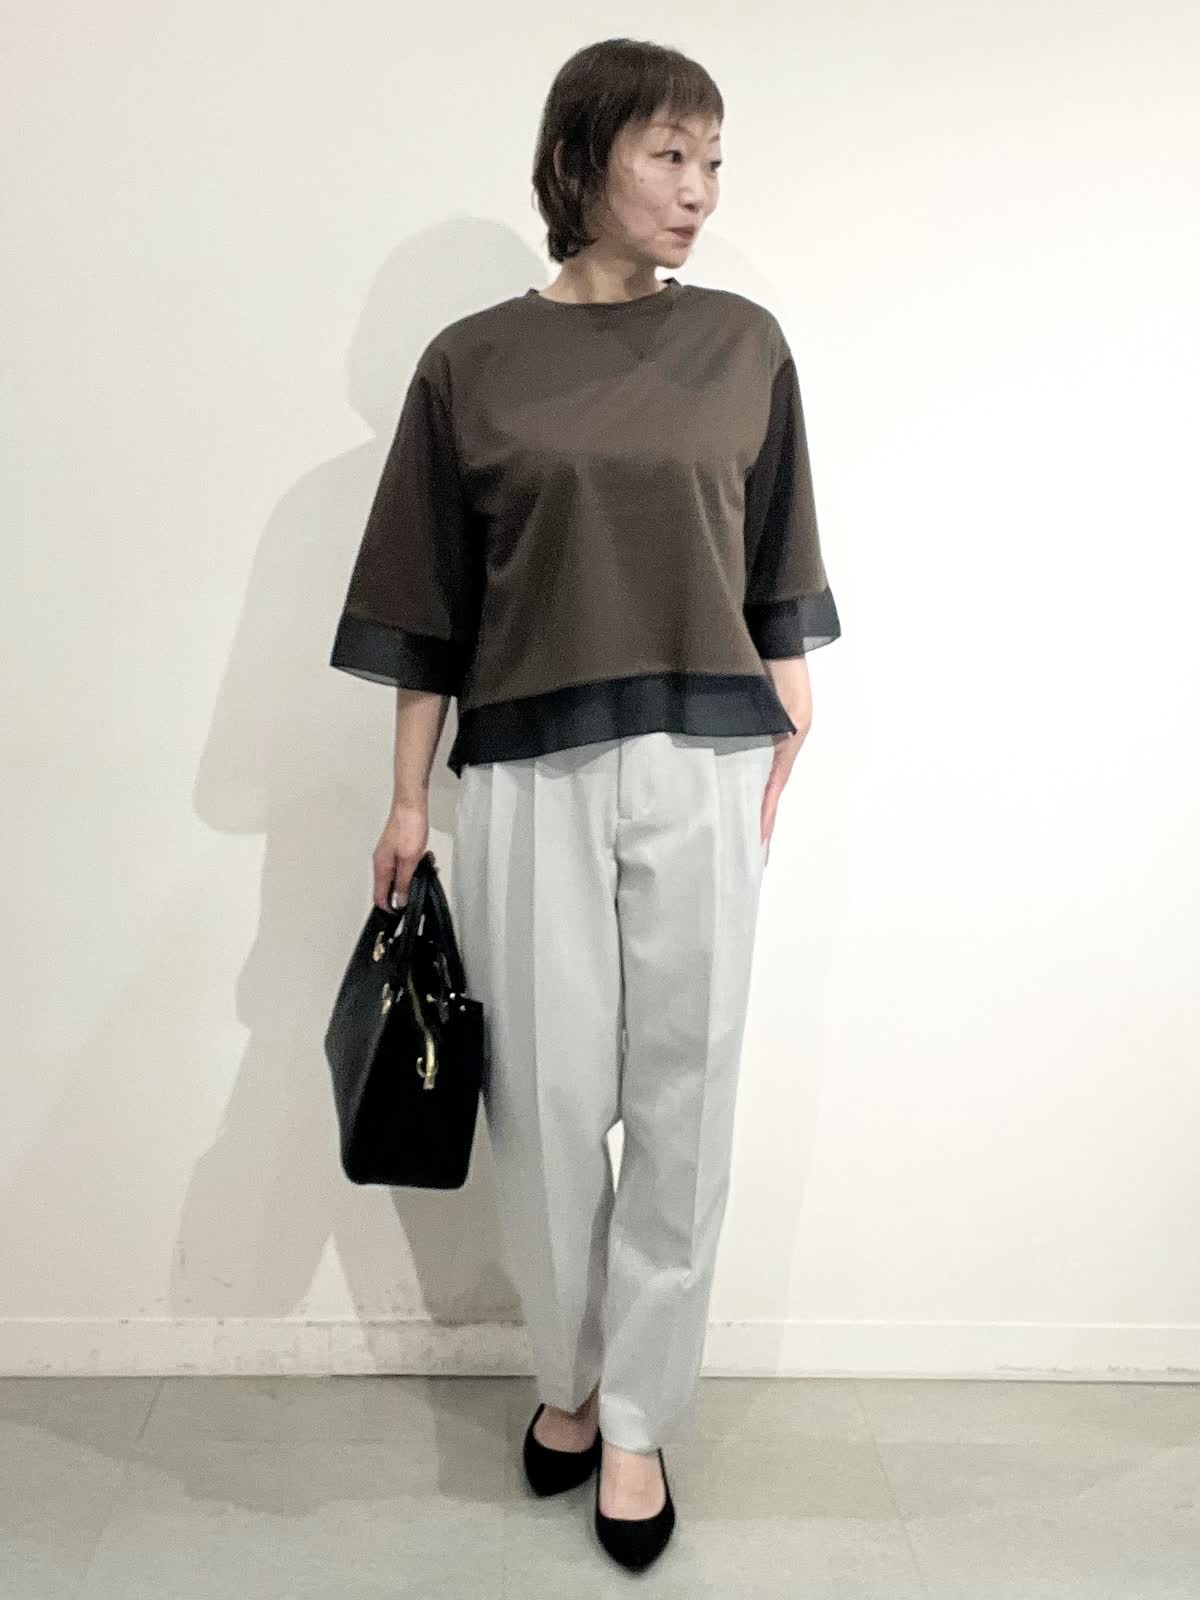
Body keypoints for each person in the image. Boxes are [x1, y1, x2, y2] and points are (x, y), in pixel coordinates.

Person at [329, 37, 841, 1572]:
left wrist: (793, 693)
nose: (699, 191)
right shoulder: (472, 362)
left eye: (713, 161)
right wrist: (405, 800)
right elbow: (426, 604)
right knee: (548, 1107)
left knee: (685, 1094)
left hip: (704, 753)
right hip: (530, 764)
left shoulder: (743, 344)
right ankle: (568, 1377)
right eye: (668, 154)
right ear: (581, 159)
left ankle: (636, 1421)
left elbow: (774, 550)